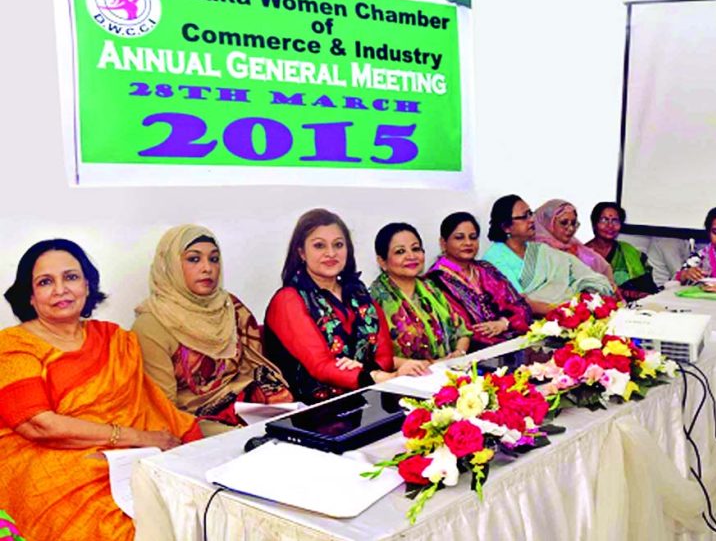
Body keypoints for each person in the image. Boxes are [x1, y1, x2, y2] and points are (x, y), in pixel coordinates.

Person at [0, 239, 200, 541]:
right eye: (45, 282)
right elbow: (37, 424)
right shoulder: (14, 345)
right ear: (29, 296)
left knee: (192, 506)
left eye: (70, 277)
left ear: (87, 285)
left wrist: (144, 442)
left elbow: (148, 406)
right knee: (112, 525)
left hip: (126, 456)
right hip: (46, 460)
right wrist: (135, 438)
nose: (60, 290)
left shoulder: (114, 339)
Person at [133, 225, 292, 428]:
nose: (207, 268)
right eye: (194, 259)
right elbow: (163, 409)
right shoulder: (152, 325)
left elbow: (253, 367)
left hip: (240, 406)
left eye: (214, 259)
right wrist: (228, 432)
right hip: (191, 421)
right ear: (170, 266)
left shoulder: (229, 307)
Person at [263, 209, 429, 404]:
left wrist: (364, 371)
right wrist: (373, 376)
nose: (331, 253)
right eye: (319, 246)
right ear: (301, 252)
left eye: (338, 245)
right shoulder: (288, 300)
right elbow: (321, 366)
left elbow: (384, 355)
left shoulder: (358, 294)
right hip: (313, 411)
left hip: (367, 398)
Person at [481, 194, 615, 316]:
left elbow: (582, 273)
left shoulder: (541, 250)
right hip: (530, 322)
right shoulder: (494, 258)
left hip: (565, 313)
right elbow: (521, 303)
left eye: (530, 214)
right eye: (524, 217)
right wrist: (567, 311)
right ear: (506, 227)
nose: (531, 220)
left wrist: (587, 300)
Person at [428, 212, 532, 351]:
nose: (468, 243)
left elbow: (521, 305)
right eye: (459, 238)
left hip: (511, 343)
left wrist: (503, 323)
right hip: (472, 352)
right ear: (443, 243)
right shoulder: (434, 281)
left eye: (473, 237)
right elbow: (452, 328)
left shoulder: (486, 269)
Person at [370, 222, 472, 360]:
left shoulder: (430, 288)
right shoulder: (374, 300)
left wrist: (459, 353)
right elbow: (374, 356)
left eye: (416, 249)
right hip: (405, 377)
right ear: (382, 261)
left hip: (448, 369)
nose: (411, 256)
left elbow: (462, 331)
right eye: (400, 251)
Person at [584, 201, 658, 300]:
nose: (610, 225)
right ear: (594, 223)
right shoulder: (583, 254)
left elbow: (646, 286)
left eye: (615, 221)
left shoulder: (628, 250)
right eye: (604, 220)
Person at [533, 199, 616, 286]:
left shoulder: (578, 249)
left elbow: (604, 270)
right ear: (548, 223)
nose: (571, 229)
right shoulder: (536, 250)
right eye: (564, 223)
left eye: (573, 223)